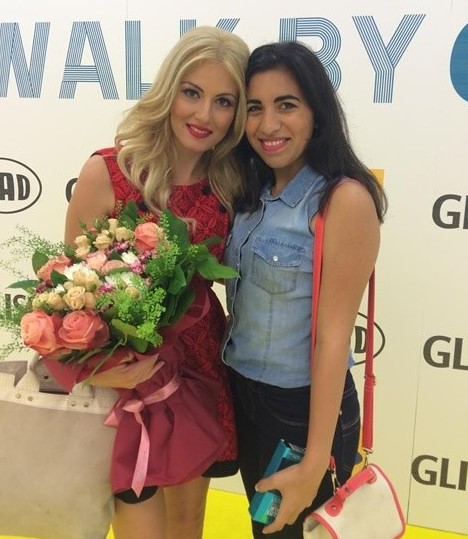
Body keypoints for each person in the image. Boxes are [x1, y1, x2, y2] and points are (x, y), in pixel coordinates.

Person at [45, 26, 250, 539]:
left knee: (188, 523)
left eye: (223, 101)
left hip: (198, 373)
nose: (204, 115)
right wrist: (100, 372)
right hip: (127, 379)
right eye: (192, 93)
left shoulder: (233, 184)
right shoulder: (109, 173)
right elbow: (67, 295)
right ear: (168, 91)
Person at [222, 41, 387, 538]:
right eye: (255, 108)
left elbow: (333, 339)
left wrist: (316, 461)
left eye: (287, 105)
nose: (267, 124)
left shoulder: (343, 199)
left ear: (317, 113)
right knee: (265, 530)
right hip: (246, 395)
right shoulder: (252, 195)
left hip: (301, 410)